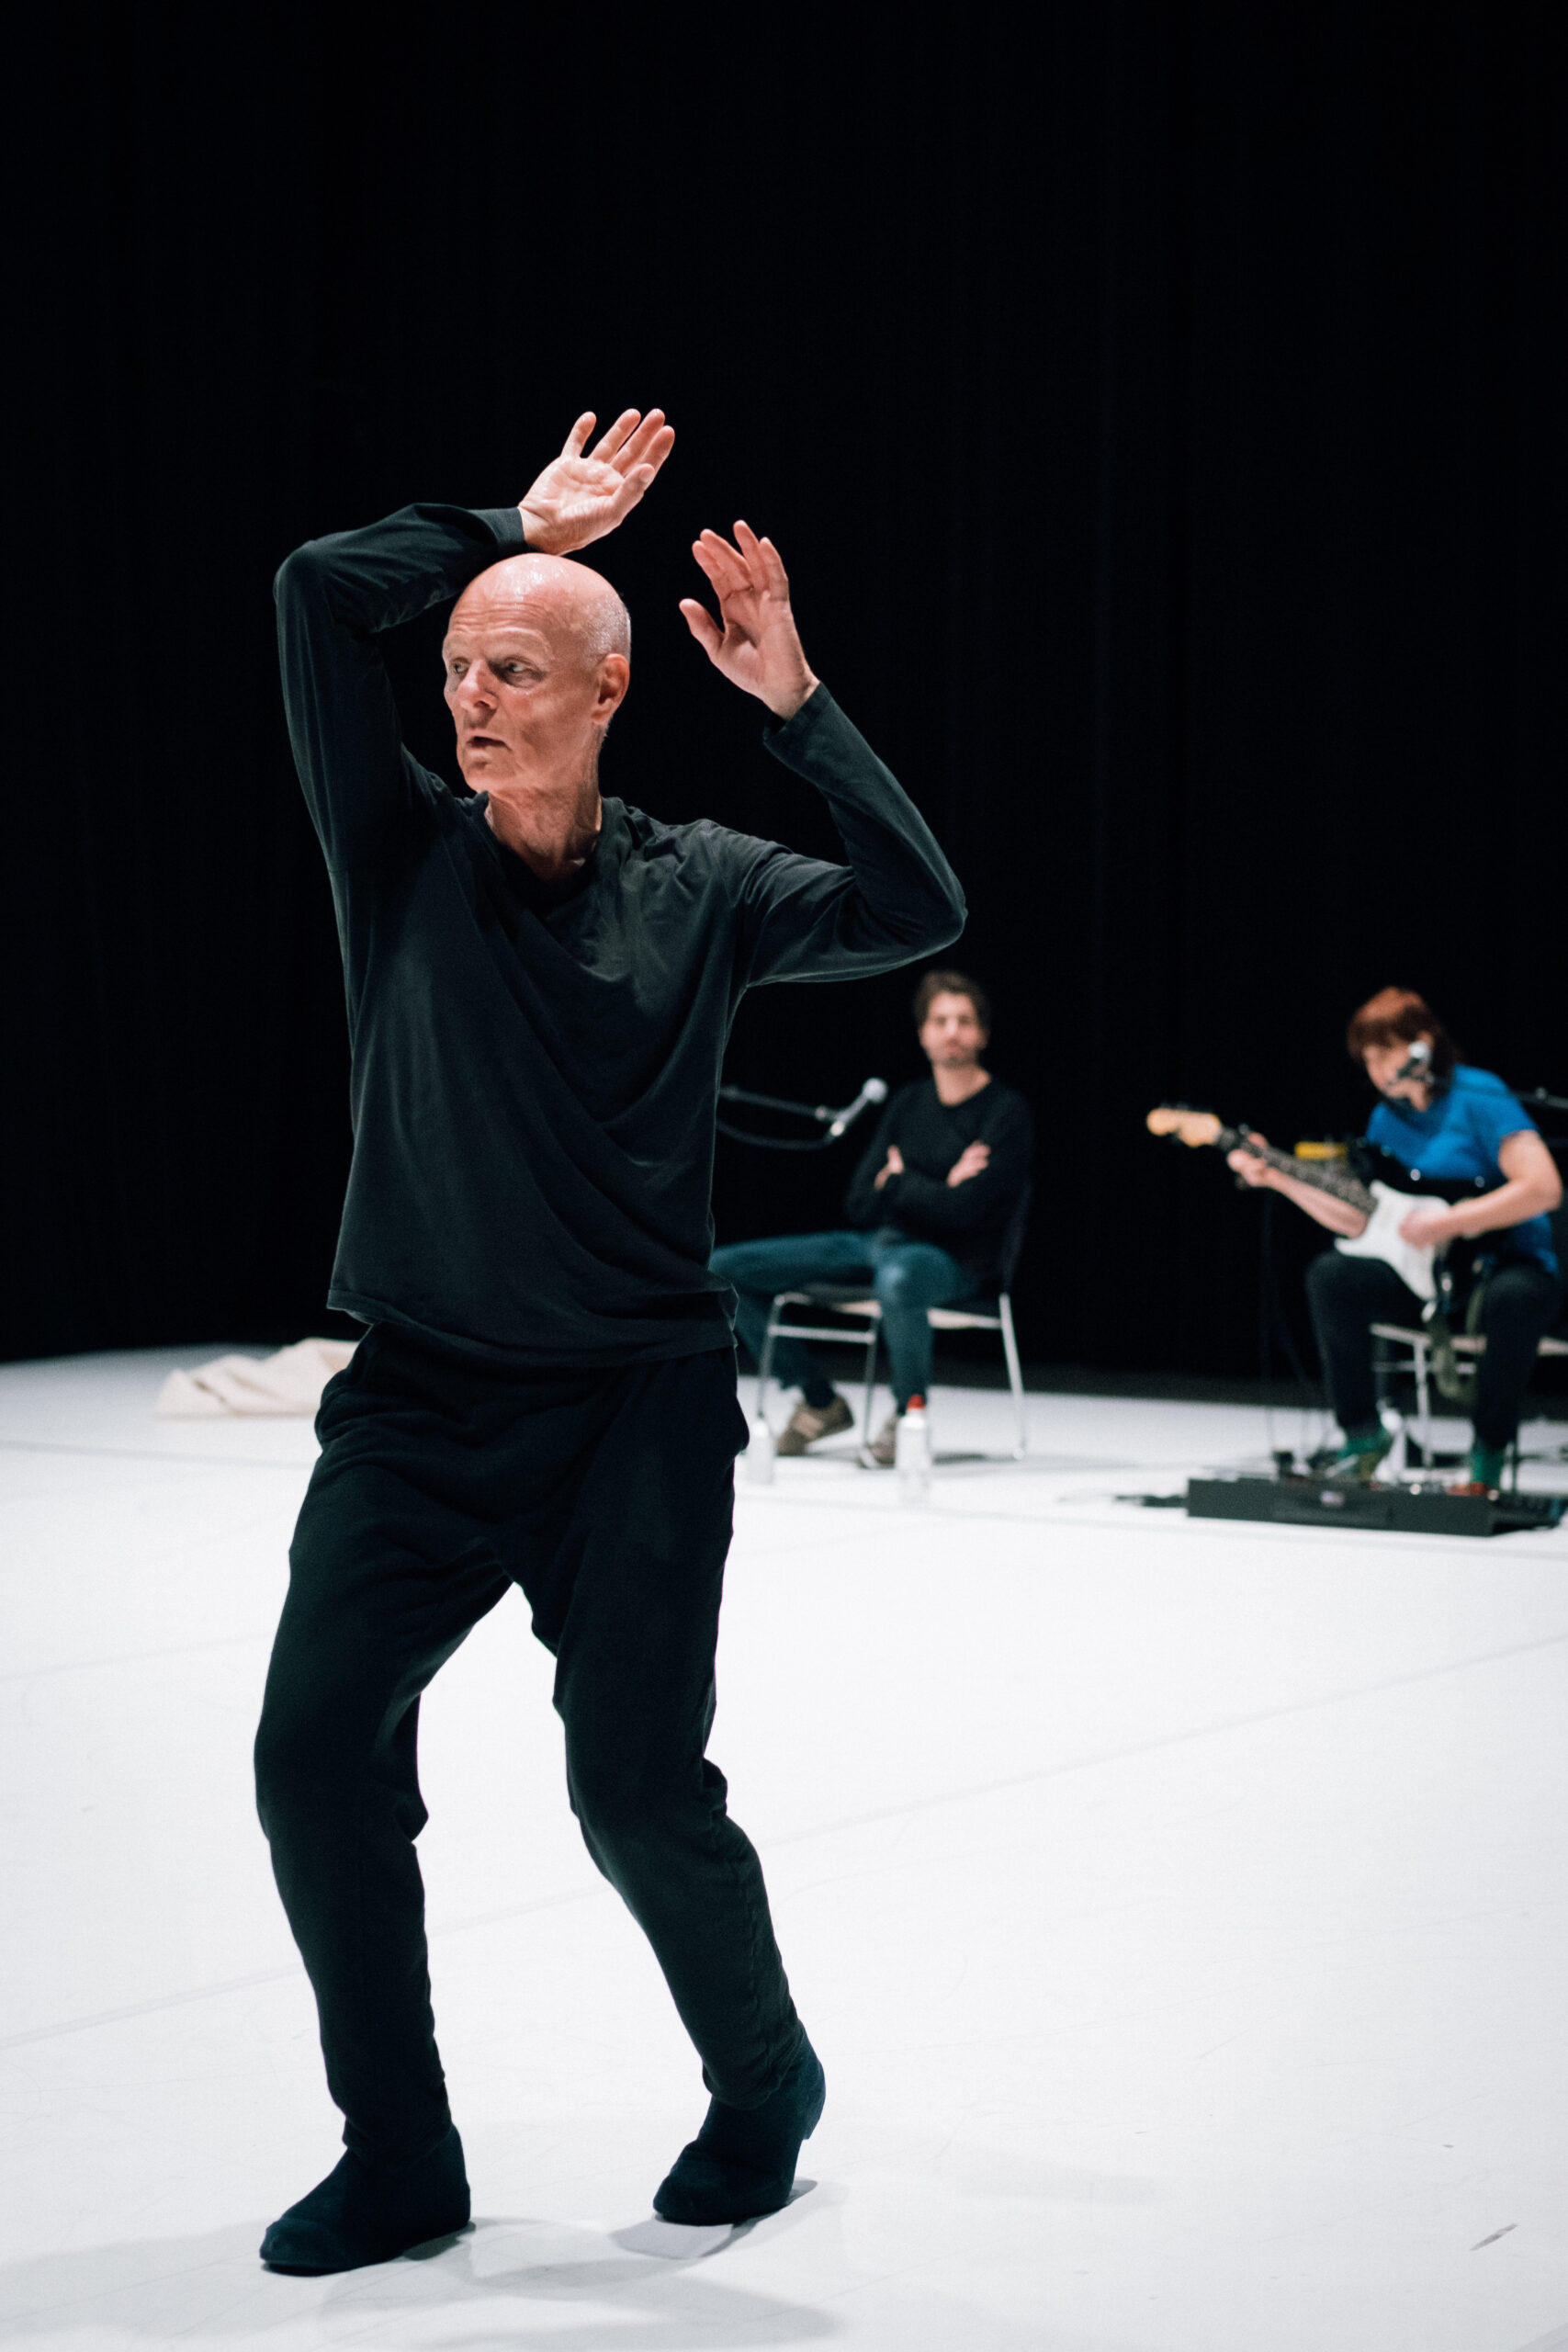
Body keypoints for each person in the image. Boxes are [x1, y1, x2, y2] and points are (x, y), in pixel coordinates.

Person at [252, 408, 965, 2274]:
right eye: (456, 669)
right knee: (314, 1753)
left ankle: (764, 2085)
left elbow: (917, 907)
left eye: (510, 670)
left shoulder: (704, 884)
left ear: (606, 689)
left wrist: (799, 707)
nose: (469, 698)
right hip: (419, 1397)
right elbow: (315, 592)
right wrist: (514, 523)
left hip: (634, 1409)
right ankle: (399, 2152)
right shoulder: (394, 847)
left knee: (636, 1789)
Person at [1228, 988, 1562, 1490]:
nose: (1378, 1069)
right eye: (1368, 1059)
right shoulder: (1386, 1120)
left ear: (1422, 1043)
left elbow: (1543, 1187)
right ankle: (1363, 1435)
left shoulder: (1479, 1095)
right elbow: (1359, 1220)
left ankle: (1487, 1454)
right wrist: (1278, 1176)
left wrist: (1452, 1222)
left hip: (1501, 1264)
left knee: (1515, 1297)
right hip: (1427, 1277)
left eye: (1386, 1053)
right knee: (1332, 1276)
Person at [712, 970, 1032, 1463]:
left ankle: (909, 1417)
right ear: (923, 1033)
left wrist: (899, 1180)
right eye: (940, 1020)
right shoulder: (908, 1103)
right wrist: (940, 1184)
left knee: (899, 1279)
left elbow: (963, 1212)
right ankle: (819, 1401)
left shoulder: (1004, 1113)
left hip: (953, 1259)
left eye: (964, 1021)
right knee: (726, 1268)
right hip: (878, 1242)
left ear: (983, 1033)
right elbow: (860, 1201)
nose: (952, 1031)